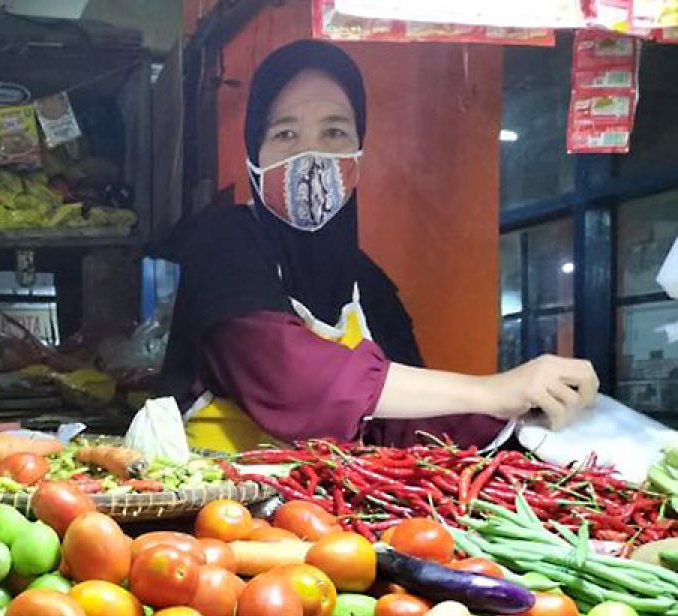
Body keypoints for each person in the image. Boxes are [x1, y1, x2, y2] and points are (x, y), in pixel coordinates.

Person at [156, 40, 598, 448]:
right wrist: (492, 390)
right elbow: (291, 378)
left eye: (335, 133)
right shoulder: (222, 244)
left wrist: (520, 418)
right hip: (215, 513)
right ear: (255, 152)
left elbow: (408, 419)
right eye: (285, 134)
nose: (312, 155)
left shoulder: (368, 284)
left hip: (324, 515)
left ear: (359, 153)